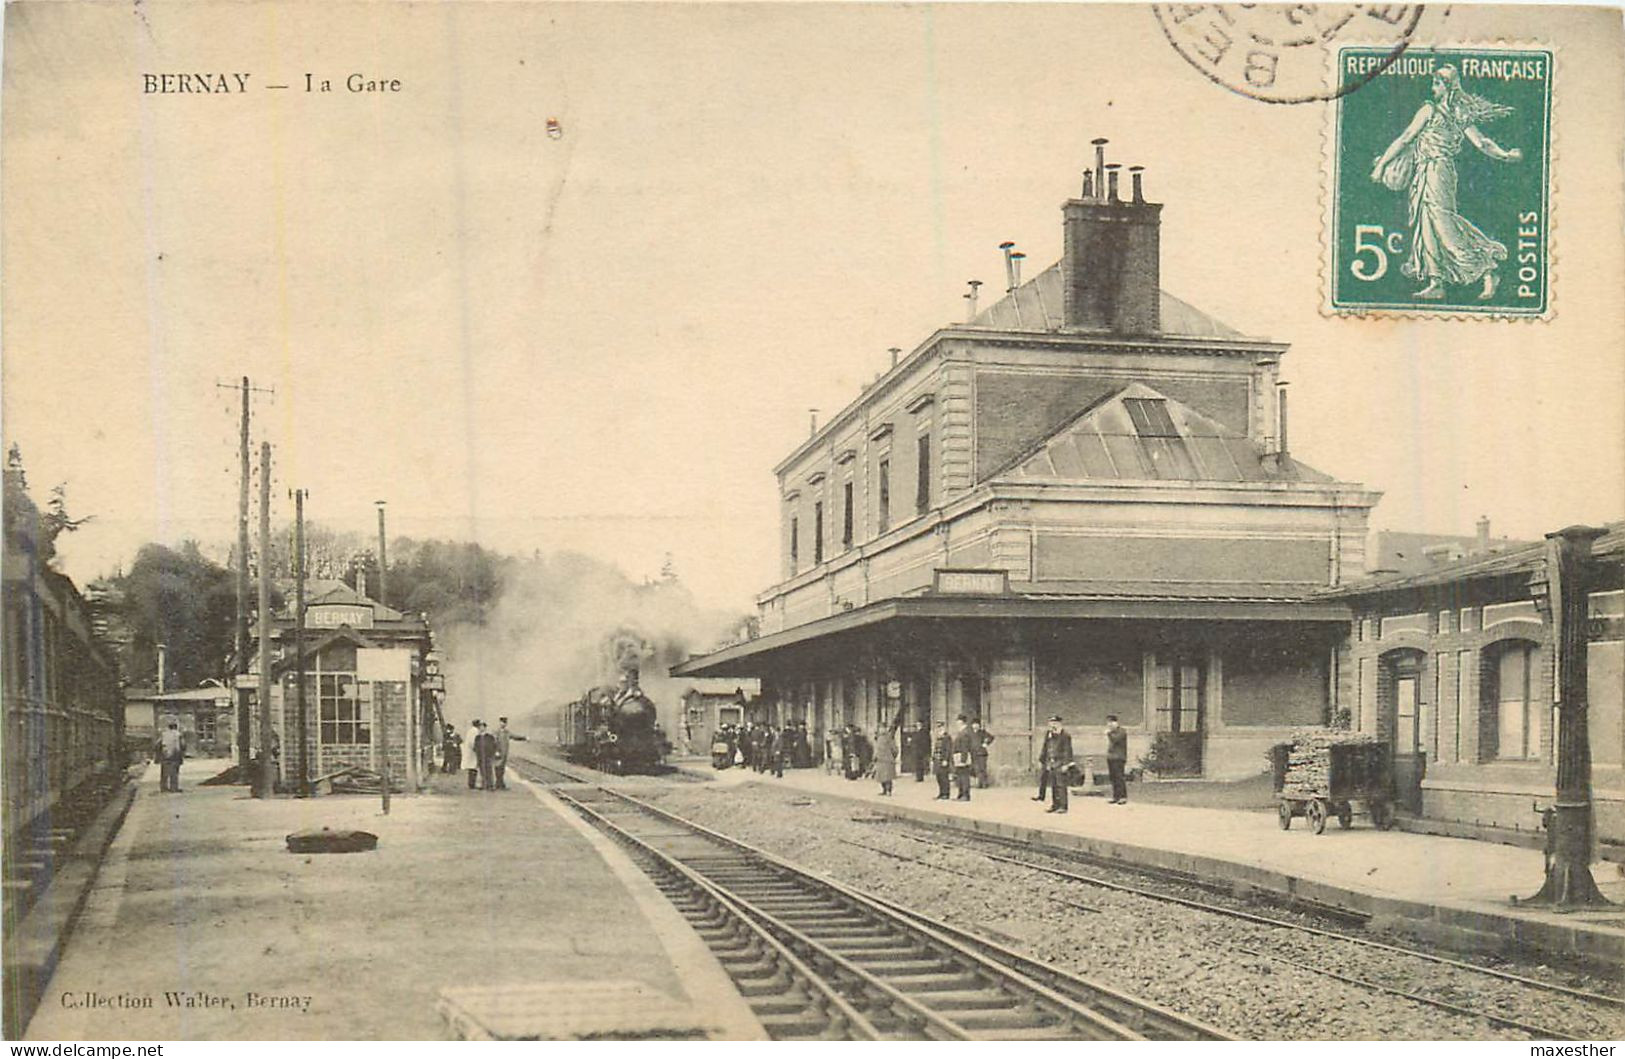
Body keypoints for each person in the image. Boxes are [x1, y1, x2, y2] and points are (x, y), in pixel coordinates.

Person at [1370, 64, 1523, 301]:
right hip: (1426, 170)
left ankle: (1486, 268)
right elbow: (1481, 142)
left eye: (1437, 83)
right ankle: (1436, 281)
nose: (1433, 88)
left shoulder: (1433, 111)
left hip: (1438, 171)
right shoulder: (1450, 114)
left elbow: (1407, 138)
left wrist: (1381, 166)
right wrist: (1505, 155)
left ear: (1447, 86)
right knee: (1427, 223)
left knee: (1443, 224)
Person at [1038, 715, 1074, 814]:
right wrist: (1043, 761)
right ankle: (1055, 804)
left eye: (1054, 723)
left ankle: (1063, 806)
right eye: (1050, 723)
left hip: (1060, 762)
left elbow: (1068, 750)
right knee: (1053, 785)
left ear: (1059, 724)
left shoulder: (1065, 735)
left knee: (1061, 785)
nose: (1052, 725)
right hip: (1051, 762)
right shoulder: (1049, 734)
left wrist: (1066, 764)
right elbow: (1045, 748)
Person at [493, 716, 527, 790]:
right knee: (498, 768)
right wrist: (496, 751)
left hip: (504, 753)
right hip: (498, 753)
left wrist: (524, 738)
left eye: (505, 723)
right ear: (499, 723)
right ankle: (498, 783)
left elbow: (515, 737)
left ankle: (500, 783)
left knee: (502, 769)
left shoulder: (507, 732)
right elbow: (494, 742)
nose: (503, 724)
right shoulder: (496, 732)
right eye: (502, 722)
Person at [154, 720, 185, 793]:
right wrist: (182, 754)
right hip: (175, 755)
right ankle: (174, 788)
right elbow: (183, 745)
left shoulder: (164, 734)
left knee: (164, 772)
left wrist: (158, 755)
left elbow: (157, 744)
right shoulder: (178, 734)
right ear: (176, 727)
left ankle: (163, 788)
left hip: (165, 755)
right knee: (174, 772)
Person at [1105, 714, 1129, 804]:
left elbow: (1116, 740)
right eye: (1108, 723)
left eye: (1111, 722)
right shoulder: (1112, 732)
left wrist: (1109, 733)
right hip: (1111, 757)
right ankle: (1116, 796)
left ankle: (1123, 797)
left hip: (1119, 757)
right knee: (1113, 778)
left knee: (1119, 777)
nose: (1109, 725)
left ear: (1116, 722)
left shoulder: (1122, 731)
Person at [950, 716, 975, 801]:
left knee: (964, 777)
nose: (957, 724)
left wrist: (963, 760)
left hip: (962, 756)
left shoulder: (965, 733)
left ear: (963, 723)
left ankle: (965, 795)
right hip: (958, 756)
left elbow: (965, 747)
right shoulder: (961, 732)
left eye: (959, 723)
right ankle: (960, 794)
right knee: (960, 776)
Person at [930, 721, 953, 800]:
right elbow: (936, 748)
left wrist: (946, 759)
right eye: (938, 727)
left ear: (944, 728)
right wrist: (933, 757)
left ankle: (946, 793)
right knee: (938, 777)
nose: (939, 729)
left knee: (944, 777)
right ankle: (941, 792)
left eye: (940, 727)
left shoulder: (947, 737)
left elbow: (948, 749)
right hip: (937, 759)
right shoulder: (938, 737)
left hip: (943, 760)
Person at [473, 722, 498, 791]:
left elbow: (494, 746)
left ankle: (490, 785)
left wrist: (492, 753)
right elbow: (475, 747)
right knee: (482, 771)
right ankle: (484, 785)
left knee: (489, 771)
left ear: (485, 728)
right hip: (480, 757)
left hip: (488, 756)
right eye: (480, 727)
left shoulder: (490, 737)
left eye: (482, 727)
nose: (481, 728)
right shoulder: (477, 738)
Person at [873, 725, 897, 796]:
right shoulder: (878, 738)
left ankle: (888, 790)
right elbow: (876, 749)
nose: (882, 730)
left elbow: (894, 748)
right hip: (880, 759)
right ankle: (884, 790)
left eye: (883, 728)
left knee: (887, 777)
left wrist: (893, 756)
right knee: (881, 777)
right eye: (881, 728)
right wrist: (875, 757)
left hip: (887, 760)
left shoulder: (889, 738)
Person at [971, 720, 995, 788]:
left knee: (982, 768)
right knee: (976, 769)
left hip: (982, 753)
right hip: (974, 753)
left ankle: (984, 783)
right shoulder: (971, 733)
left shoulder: (982, 732)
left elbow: (991, 737)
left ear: (979, 725)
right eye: (974, 724)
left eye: (976, 724)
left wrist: (986, 743)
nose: (975, 726)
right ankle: (979, 783)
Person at [463, 720, 483, 789]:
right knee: (473, 767)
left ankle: (471, 783)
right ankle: (472, 784)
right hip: (473, 752)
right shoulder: (475, 731)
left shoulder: (470, 731)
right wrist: (477, 750)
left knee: (472, 768)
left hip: (470, 751)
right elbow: (473, 742)